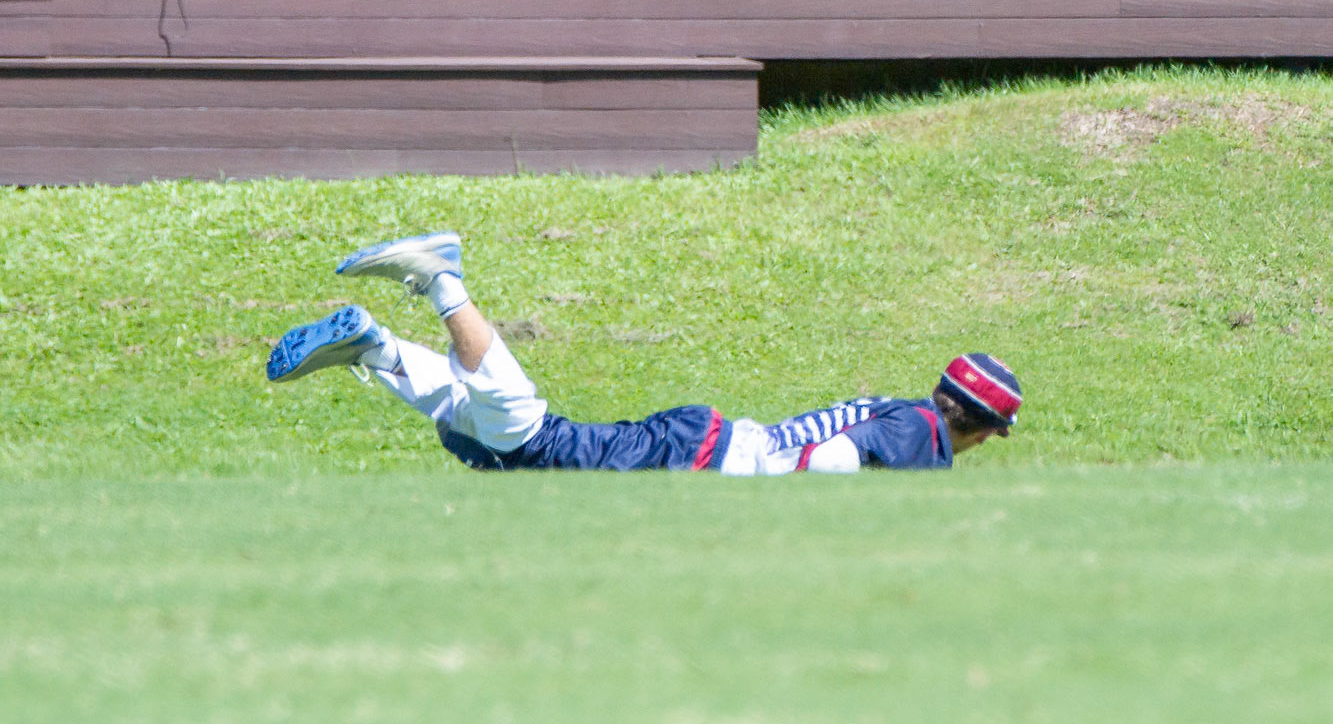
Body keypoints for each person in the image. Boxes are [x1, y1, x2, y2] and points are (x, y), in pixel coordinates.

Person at [266, 229, 1022, 475]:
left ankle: (378, 349)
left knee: (505, 454)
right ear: (984, 428)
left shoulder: (903, 412)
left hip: (702, 442)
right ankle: (443, 282)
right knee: (535, 445)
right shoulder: (920, 440)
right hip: (703, 458)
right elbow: (826, 465)